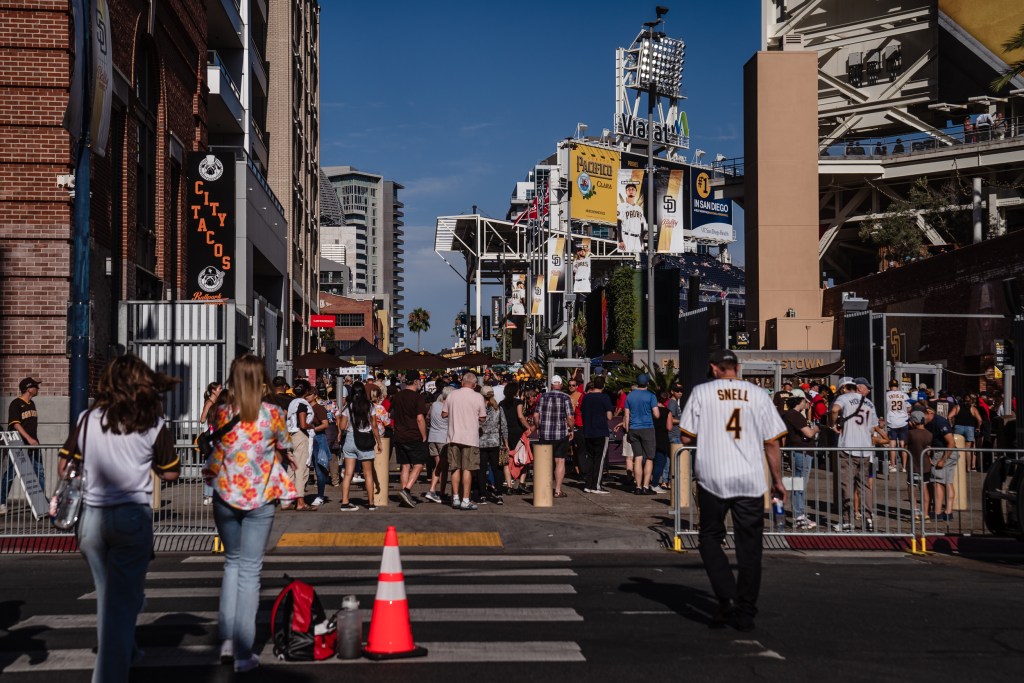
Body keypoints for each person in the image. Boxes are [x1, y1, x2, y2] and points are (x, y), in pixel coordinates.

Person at [60, 355, 180, 681]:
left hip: (91, 520)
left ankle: (126, 649)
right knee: (120, 603)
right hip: (131, 515)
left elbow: (64, 466)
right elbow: (171, 474)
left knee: (109, 597)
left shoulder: (87, 419)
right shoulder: (153, 423)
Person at [678, 349, 787, 632]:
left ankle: (725, 593)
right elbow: (773, 442)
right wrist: (778, 480)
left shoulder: (702, 393)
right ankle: (746, 610)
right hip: (749, 478)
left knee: (710, 538)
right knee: (749, 547)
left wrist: (710, 432)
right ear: (737, 367)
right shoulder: (758, 394)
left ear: (714, 368)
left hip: (713, 476)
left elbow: (685, 434)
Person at [204, 354, 295, 673]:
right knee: (250, 571)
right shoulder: (272, 414)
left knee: (231, 565)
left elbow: (216, 445)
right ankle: (244, 652)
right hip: (260, 497)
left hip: (225, 494)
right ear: (262, 380)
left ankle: (227, 641)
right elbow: (284, 444)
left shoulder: (224, 412)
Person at [830, 377, 878, 531]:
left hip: (848, 447)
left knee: (847, 484)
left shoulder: (843, 398)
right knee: (864, 486)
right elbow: (873, 427)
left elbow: (834, 410)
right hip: (864, 448)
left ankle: (847, 519)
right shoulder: (868, 402)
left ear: (843, 388)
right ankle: (868, 518)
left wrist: (832, 424)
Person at [443, 372, 487, 510]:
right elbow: (482, 417)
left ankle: (455, 498)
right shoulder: (478, 397)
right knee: (468, 468)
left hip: (454, 436)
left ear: (462, 382)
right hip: (470, 438)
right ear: (474, 385)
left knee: (455, 468)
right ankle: (465, 500)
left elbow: (444, 413)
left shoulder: (452, 395)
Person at [2, 377, 45, 515]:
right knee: (10, 474)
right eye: (35, 386)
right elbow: (15, 424)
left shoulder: (32, 404)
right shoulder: (16, 404)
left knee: (40, 473)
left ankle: (41, 504)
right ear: (28, 388)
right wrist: (29, 439)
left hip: (33, 446)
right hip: (19, 445)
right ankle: (1, 503)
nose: (38, 389)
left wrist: (34, 441)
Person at [339, 381, 382, 511]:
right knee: (368, 473)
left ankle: (345, 502)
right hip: (365, 441)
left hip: (351, 439)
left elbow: (342, 426)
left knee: (348, 474)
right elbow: (374, 426)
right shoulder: (370, 406)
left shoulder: (349, 407)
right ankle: (371, 503)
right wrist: (379, 442)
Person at [391, 371, 431, 507]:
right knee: (419, 464)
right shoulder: (418, 397)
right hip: (413, 435)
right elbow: (420, 419)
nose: (420, 382)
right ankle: (406, 489)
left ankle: (405, 494)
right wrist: (424, 436)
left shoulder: (397, 396)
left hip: (399, 435)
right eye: (419, 380)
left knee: (405, 465)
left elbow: (392, 415)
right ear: (415, 382)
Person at [783, 391, 819, 529]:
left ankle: (799, 514)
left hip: (797, 451)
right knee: (800, 484)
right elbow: (808, 433)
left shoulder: (790, 415)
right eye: (805, 401)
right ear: (800, 401)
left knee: (798, 483)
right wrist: (815, 429)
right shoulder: (795, 415)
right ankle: (799, 515)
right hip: (801, 451)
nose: (807, 403)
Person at [536, 375, 575, 498]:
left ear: (551, 385)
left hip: (545, 433)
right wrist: (571, 429)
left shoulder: (543, 397)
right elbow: (570, 417)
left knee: (545, 462)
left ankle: (543, 490)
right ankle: (557, 490)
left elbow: (536, 415)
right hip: (560, 434)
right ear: (561, 385)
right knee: (560, 461)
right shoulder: (566, 397)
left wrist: (538, 427)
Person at [623, 373, 660, 495]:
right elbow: (656, 414)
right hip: (647, 428)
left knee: (637, 458)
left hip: (633, 428)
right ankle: (645, 486)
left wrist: (628, 431)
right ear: (647, 383)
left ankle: (637, 487)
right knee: (649, 458)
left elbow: (626, 415)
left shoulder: (630, 396)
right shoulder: (651, 396)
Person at [580, 376, 614, 494]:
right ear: (603, 386)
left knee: (590, 458)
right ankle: (596, 486)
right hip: (600, 431)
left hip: (588, 431)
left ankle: (588, 484)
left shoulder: (586, 397)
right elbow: (609, 416)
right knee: (600, 459)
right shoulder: (605, 397)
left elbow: (582, 411)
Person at [283, 380, 313, 511]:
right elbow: (303, 424)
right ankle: (300, 502)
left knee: (290, 469)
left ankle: (286, 501)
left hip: (289, 436)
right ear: (307, 391)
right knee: (300, 469)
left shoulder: (291, 403)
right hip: (300, 435)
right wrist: (311, 426)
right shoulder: (302, 403)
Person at [924, 405, 957, 522]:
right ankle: (948, 512)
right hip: (947, 453)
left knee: (938, 483)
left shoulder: (939, 422)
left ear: (929, 412)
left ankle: (937, 512)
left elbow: (951, 442)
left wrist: (942, 459)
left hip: (943, 452)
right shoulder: (933, 422)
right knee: (948, 482)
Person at [478, 385, 509, 504]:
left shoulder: (479, 408)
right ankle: (499, 493)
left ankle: (482, 495)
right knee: (497, 469)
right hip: (495, 441)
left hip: (481, 441)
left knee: (481, 469)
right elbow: (504, 426)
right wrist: (506, 442)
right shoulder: (498, 408)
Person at [424, 385, 454, 503]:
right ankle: (437, 492)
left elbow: (427, 417)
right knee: (443, 466)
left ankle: (434, 491)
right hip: (443, 438)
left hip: (432, 437)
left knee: (438, 465)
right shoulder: (450, 407)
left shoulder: (435, 405)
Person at [500, 381, 529, 494]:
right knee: (524, 458)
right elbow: (520, 417)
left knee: (505, 460)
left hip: (504, 433)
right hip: (518, 432)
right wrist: (528, 427)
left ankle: (508, 485)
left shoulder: (501, 403)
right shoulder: (518, 402)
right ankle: (521, 483)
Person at [885, 379, 911, 473]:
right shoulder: (904, 395)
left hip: (892, 421)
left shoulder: (887, 395)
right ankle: (904, 467)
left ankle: (893, 465)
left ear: (889, 386)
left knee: (892, 444)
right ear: (898, 386)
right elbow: (909, 408)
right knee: (903, 444)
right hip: (903, 421)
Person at [617, 182, 647, 253]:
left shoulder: (639, 209)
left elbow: (642, 225)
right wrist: (620, 240)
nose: (631, 191)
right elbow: (618, 224)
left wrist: (641, 239)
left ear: (636, 191)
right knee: (627, 259)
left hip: (637, 239)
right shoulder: (621, 206)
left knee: (638, 260)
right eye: (629, 189)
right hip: (626, 237)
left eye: (633, 189)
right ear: (626, 192)